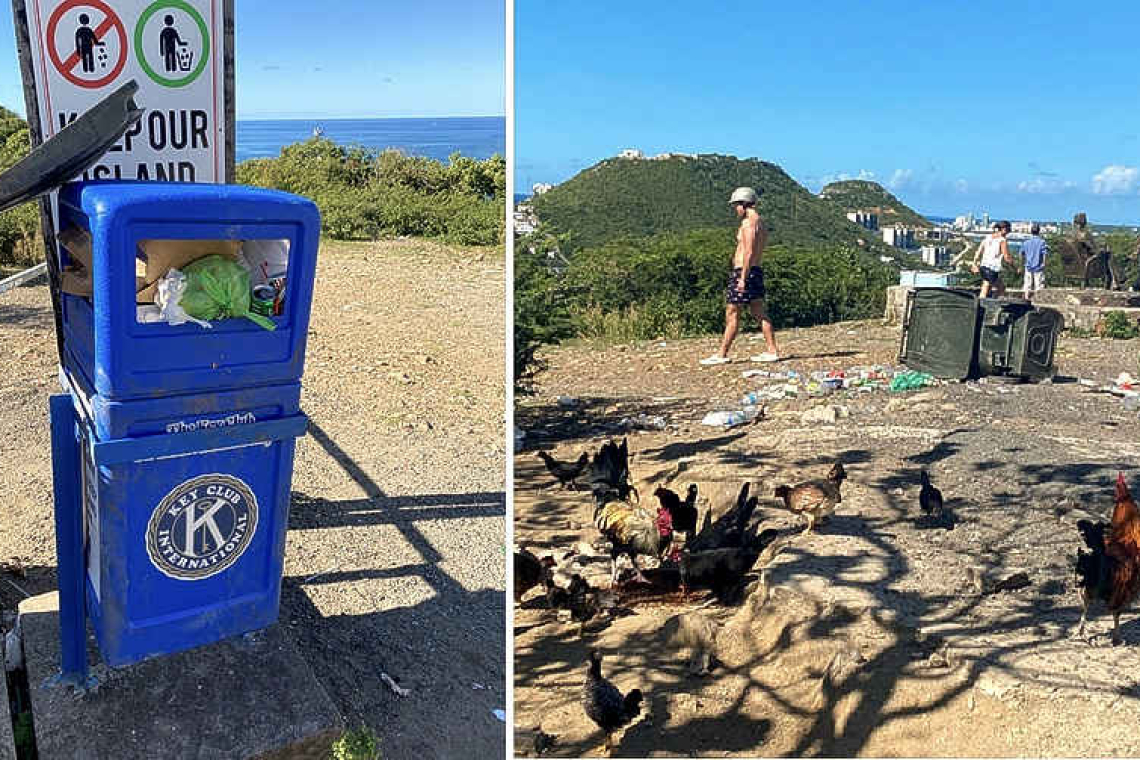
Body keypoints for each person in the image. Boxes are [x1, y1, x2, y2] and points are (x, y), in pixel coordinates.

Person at [700, 187, 780, 365]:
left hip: (745, 271)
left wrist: (743, 277)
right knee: (758, 311)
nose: (735, 209)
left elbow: (749, 251)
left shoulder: (748, 223)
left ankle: (722, 354)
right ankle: (772, 350)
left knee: (732, 312)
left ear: (744, 204)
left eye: (736, 205)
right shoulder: (760, 222)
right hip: (755, 270)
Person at [971, 220, 1014, 298]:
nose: (1008, 233)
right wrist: (1014, 267)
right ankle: (994, 305)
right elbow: (1006, 257)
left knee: (986, 286)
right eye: (1008, 230)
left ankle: (982, 304)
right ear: (1004, 229)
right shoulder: (1002, 240)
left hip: (983, 267)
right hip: (992, 269)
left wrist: (974, 263)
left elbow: (979, 251)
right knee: (1001, 288)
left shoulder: (988, 237)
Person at [1020, 223, 1048, 300]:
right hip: (1038, 265)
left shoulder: (1026, 242)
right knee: (1038, 284)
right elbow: (1044, 254)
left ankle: (1026, 298)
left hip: (1028, 265)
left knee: (1027, 284)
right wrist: (1044, 263)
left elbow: (1022, 253)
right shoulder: (1042, 242)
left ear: (1031, 231)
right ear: (1039, 231)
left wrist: (1022, 263)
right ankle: (1038, 299)